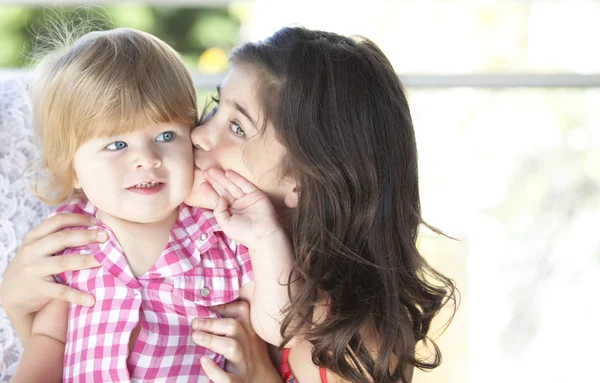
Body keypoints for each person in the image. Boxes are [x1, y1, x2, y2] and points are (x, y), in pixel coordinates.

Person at [2, 26, 457, 383]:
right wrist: (16, 302)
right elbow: (60, 343)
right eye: (214, 107)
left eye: (236, 127)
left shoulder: (348, 335)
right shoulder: (84, 233)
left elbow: (280, 324)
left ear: (303, 177)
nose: (196, 135)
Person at [8, 28, 295, 382]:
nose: (146, 158)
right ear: (73, 170)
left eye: (165, 136)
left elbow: (281, 328)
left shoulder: (224, 229)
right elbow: (47, 342)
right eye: (116, 145)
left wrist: (268, 239)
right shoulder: (68, 238)